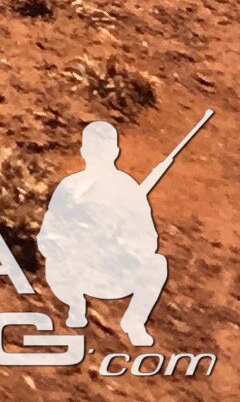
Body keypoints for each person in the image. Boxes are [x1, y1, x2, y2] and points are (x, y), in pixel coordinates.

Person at [39, 121, 172, 344]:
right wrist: (72, 241)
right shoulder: (70, 187)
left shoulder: (128, 189)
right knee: (54, 263)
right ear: (84, 152)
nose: (98, 156)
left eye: (103, 150)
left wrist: (122, 243)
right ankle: (75, 305)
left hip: (113, 273)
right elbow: (46, 236)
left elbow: (149, 240)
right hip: (76, 271)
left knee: (156, 264)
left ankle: (134, 322)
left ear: (115, 152)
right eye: (94, 150)